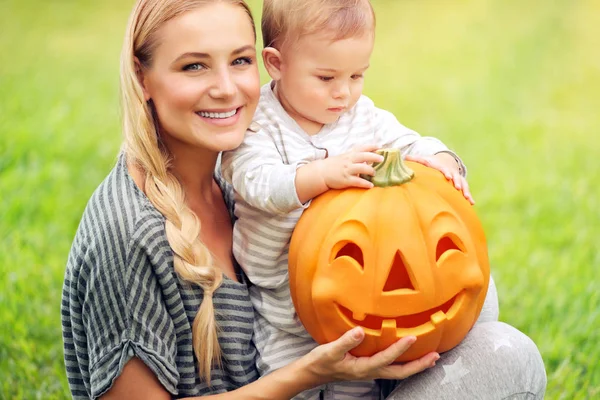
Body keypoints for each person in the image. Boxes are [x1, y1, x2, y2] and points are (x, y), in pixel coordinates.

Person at [61, 0, 546, 399]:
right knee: (510, 361)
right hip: (301, 377)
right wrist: (312, 373)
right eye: (194, 66)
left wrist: (439, 162)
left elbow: (397, 140)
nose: (227, 88)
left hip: (339, 360)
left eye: (239, 60)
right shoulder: (127, 237)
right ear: (142, 78)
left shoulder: (220, 168)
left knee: (482, 316)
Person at [220, 0, 547, 399]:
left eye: (357, 74)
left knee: (367, 378)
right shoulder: (259, 124)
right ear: (276, 63)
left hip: (363, 285)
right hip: (287, 309)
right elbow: (257, 182)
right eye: (326, 77)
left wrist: (443, 161)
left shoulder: (360, 114)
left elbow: (408, 142)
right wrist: (320, 175)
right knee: (308, 387)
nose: (343, 92)